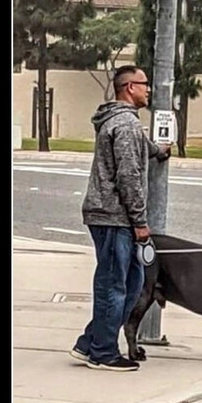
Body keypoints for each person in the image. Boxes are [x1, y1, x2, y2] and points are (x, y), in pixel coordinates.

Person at [71, 64, 171, 371]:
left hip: (112, 215)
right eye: (144, 84)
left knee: (131, 281)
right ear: (129, 87)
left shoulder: (120, 121)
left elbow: (138, 149)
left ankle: (90, 342)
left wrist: (158, 151)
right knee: (115, 285)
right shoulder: (125, 125)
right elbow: (128, 175)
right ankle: (102, 352)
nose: (149, 89)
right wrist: (140, 222)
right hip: (114, 217)